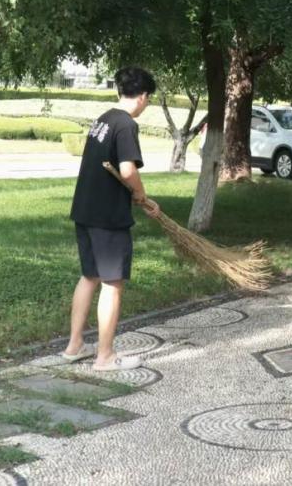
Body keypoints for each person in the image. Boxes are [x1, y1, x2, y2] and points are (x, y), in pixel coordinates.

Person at [62, 67, 162, 371]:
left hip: (85, 209)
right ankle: (105, 357)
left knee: (89, 276)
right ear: (143, 96)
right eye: (148, 98)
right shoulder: (126, 124)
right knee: (112, 283)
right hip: (107, 217)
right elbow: (128, 171)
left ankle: (74, 346)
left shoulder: (103, 119)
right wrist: (142, 196)